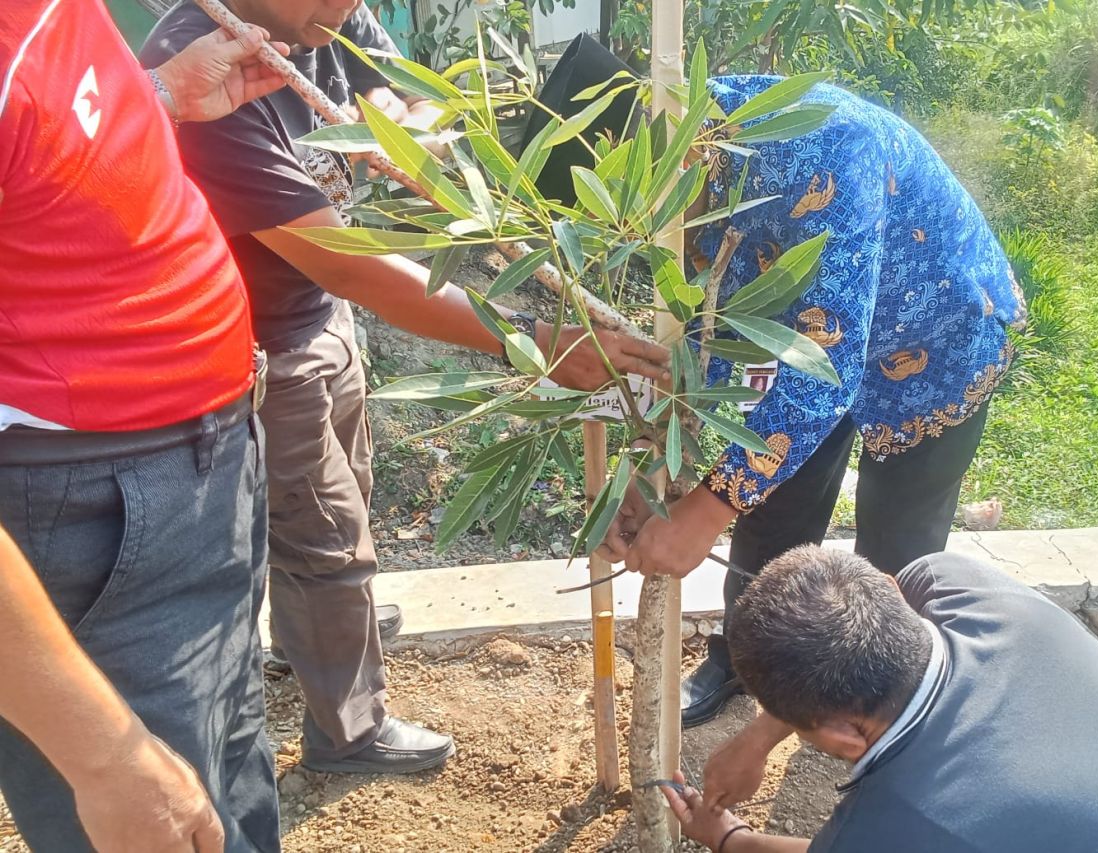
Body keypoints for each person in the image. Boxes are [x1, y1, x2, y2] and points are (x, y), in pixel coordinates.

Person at [140, 2, 671, 775]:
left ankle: (314, 633)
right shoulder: (200, 70)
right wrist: (528, 341)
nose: (350, 3)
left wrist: (408, 126)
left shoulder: (324, 19)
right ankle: (348, 732)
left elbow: (421, 96)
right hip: (258, 348)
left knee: (341, 495)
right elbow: (353, 264)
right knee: (324, 532)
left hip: (317, 314)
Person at [554, 55, 1028, 726]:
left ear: (658, 157)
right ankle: (743, 663)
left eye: (627, 216)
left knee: (898, 553)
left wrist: (702, 514)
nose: (632, 236)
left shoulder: (825, 146)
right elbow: (710, 330)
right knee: (773, 515)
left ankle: (884, 711)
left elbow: (824, 368)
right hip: (796, 340)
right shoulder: (689, 175)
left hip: (935, 337)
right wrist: (650, 465)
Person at [0, 0, 290, 849]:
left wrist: (153, 96)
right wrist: (104, 756)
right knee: (166, 815)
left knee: (230, 778)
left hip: (198, 469)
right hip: (99, 507)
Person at [659, 546, 1098, 852]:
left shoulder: (910, 819)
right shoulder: (967, 589)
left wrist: (731, 840)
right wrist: (756, 740)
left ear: (846, 734)